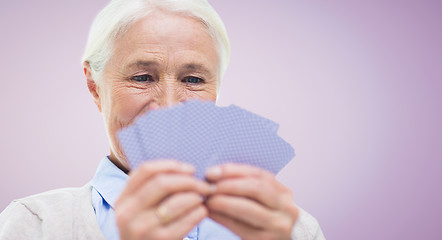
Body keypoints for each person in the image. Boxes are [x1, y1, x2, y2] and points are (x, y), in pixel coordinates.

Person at [0, 0, 325, 239]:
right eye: (142, 77)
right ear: (94, 86)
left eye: (193, 80)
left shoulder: (294, 230)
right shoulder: (35, 225)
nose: (169, 106)